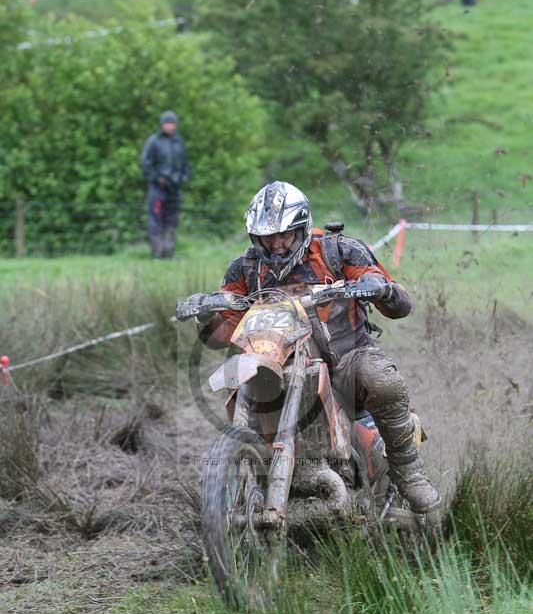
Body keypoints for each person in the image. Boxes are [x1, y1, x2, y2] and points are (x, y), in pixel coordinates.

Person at [185, 181, 441, 523]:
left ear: (301, 229)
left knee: (380, 378)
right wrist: (207, 315)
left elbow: (399, 304)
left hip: (346, 357)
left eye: (284, 235)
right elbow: (225, 331)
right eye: (267, 236)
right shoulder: (245, 269)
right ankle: (245, 479)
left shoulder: (339, 251)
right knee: (238, 377)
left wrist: (378, 289)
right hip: (275, 359)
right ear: (254, 236)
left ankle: (409, 474)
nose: (276, 244)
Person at [140, 110, 190, 259]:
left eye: (172, 123)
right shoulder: (153, 141)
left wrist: (184, 177)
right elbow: (145, 163)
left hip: (174, 188)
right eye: (166, 123)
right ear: (162, 124)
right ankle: (157, 252)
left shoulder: (179, 142)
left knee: (172, 219)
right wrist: (157, 178)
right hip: (158, 188)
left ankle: (168, 252)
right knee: (155, 219)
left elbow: (185, 164)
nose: (169, 126)